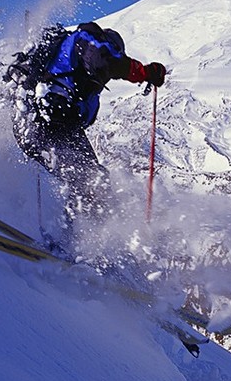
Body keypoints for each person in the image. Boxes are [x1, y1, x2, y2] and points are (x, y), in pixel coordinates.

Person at [9, 21, 166, 249]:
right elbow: (106, 59)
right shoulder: (88, 41)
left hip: (49, 125)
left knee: (97, 183)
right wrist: (145, 72)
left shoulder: (82, 81)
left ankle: (92, 246)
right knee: (89, 181)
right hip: (45, 120)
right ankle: (65, 243)